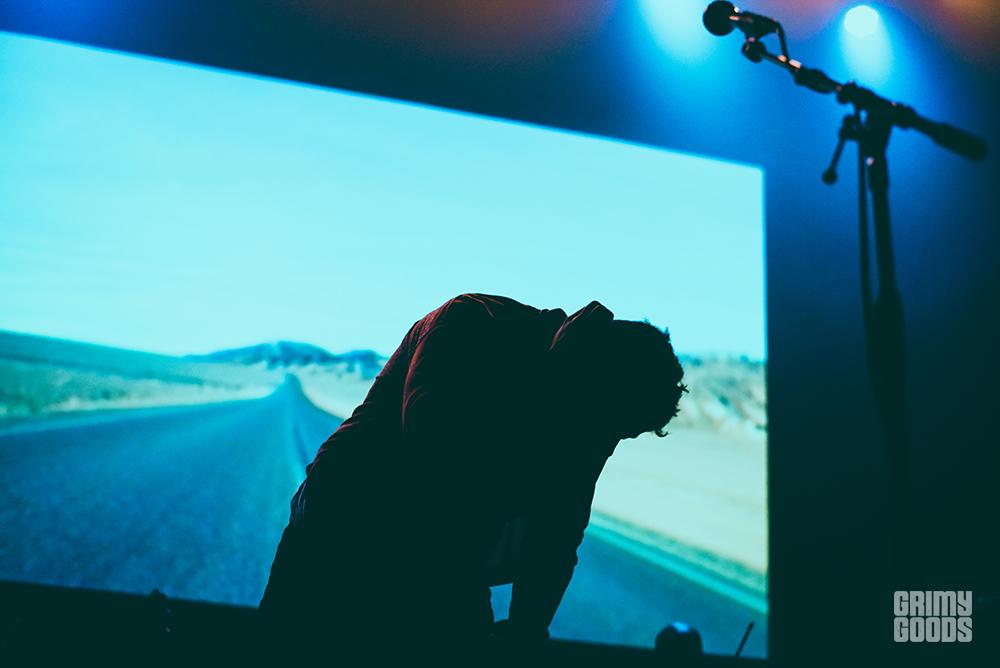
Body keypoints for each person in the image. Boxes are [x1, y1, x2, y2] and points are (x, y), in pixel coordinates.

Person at [258, 293, 686, 666]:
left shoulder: (594, 409)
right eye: (611, 425)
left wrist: (526, 630)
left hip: (448, 558)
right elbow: (433, 447)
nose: (604, 440)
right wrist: (551, 387)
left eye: (619, 434)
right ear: (598, 379)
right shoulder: (472, 320)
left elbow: (560, 526)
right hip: (342, 523)